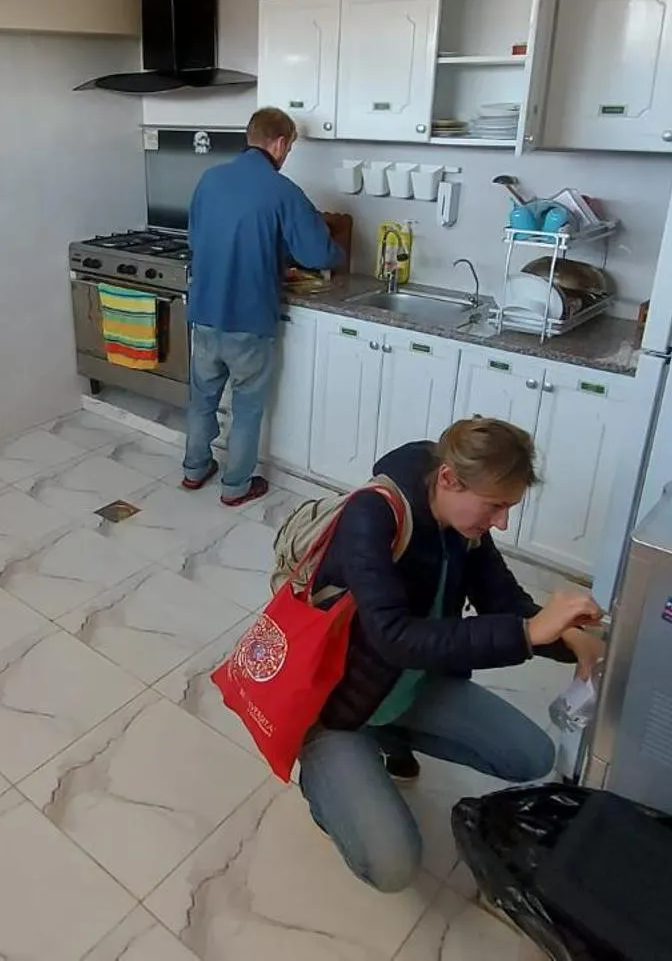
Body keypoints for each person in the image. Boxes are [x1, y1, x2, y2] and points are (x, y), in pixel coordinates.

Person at [299, 417, 606, 893]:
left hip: (405, 682)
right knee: (393, 866)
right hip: (339, 707)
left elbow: (502, 601)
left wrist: (568, 636)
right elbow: (394, 637)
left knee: (531, 755)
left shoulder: (464, 525)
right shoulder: (372, 516)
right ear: (448, 480)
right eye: (496, 506)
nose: (501, 521)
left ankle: (390, 731)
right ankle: (324, 781)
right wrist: (527, 632)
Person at [183, 107, 344, 506]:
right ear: (280, 142)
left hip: (203, 312)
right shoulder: (281, 190)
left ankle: (194, 468)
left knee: (202, 398)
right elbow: (319, 253)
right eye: (288, 147)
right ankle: (236, 486)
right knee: (247, 408)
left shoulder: (209, 180)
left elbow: (197, 239)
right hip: (248, 319)